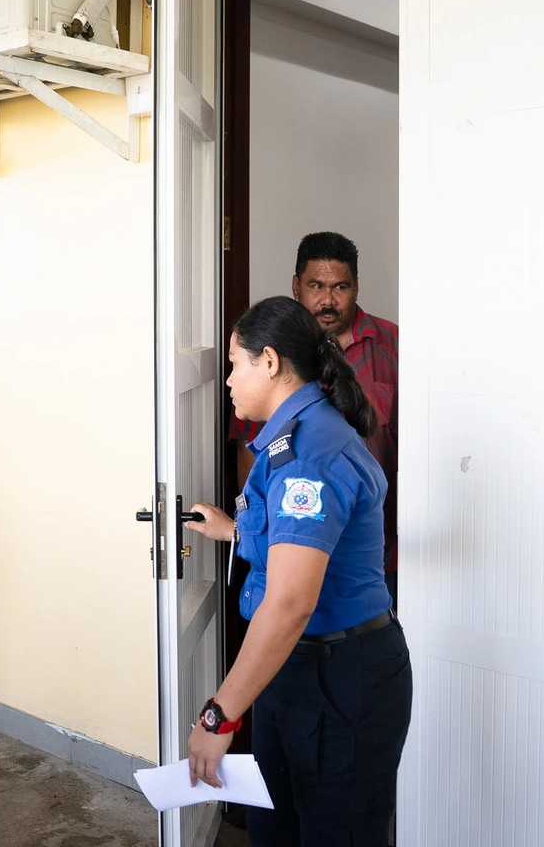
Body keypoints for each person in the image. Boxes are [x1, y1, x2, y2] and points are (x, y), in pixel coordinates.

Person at [188, 296, 412, 847]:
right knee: (275, 829)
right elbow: (303, 547)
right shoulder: (293, 437)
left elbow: (290, 602)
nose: (228, 381)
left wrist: (220, 716)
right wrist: (233, 531)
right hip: (300, 670)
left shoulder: (308, 453)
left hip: (338, 678)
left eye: (235, 364)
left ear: (269, 362)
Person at [232, 231, 400, 605]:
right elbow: (249, 454)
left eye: (340, 286)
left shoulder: (394, 346)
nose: (327, 300)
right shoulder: (268, 354)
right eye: (316, 286)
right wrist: (254, 530)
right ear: (296, 287)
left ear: (357, 287)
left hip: (372, 552)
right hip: (288, 539)